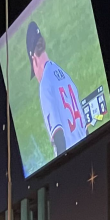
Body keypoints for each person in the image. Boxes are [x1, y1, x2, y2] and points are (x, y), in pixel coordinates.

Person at [28, 21, 87, 157]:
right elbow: (85, 128)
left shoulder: (45, 85)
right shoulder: (66, 76)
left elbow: (58, 134)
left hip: (72, 159)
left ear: (34, 60)